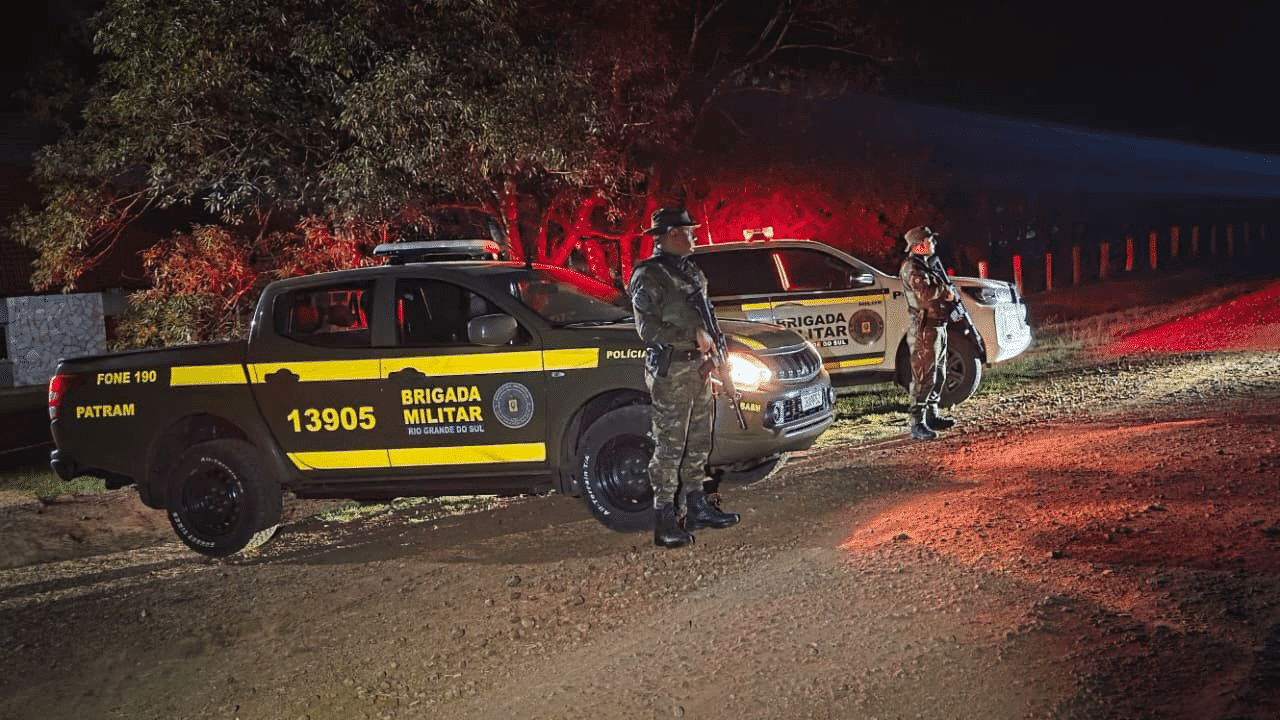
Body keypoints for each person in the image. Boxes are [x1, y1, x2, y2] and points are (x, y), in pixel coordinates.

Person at [629, 207, 741, 548]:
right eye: (688, 231)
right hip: (672, 370)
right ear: (671, 235)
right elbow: (647, 329)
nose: (693, 236)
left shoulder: (691, 271)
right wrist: (692, 335)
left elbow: (707, 317)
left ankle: (697, 506)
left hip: (698, 368)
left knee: (697, 442)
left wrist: (714, 349)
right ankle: (664, 519)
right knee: (670, 446)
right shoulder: (649, 275)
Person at [899, 225, 961, 440]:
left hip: (937, 325)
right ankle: (917, 423)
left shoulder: (926, 265)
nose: (934, 244)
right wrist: (946, 292)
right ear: (921, 245)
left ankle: (932, 415)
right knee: (924, 376)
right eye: (930, 241)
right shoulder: (912, 268)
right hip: (924, 330)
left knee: (940, 373)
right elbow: (925, 293)